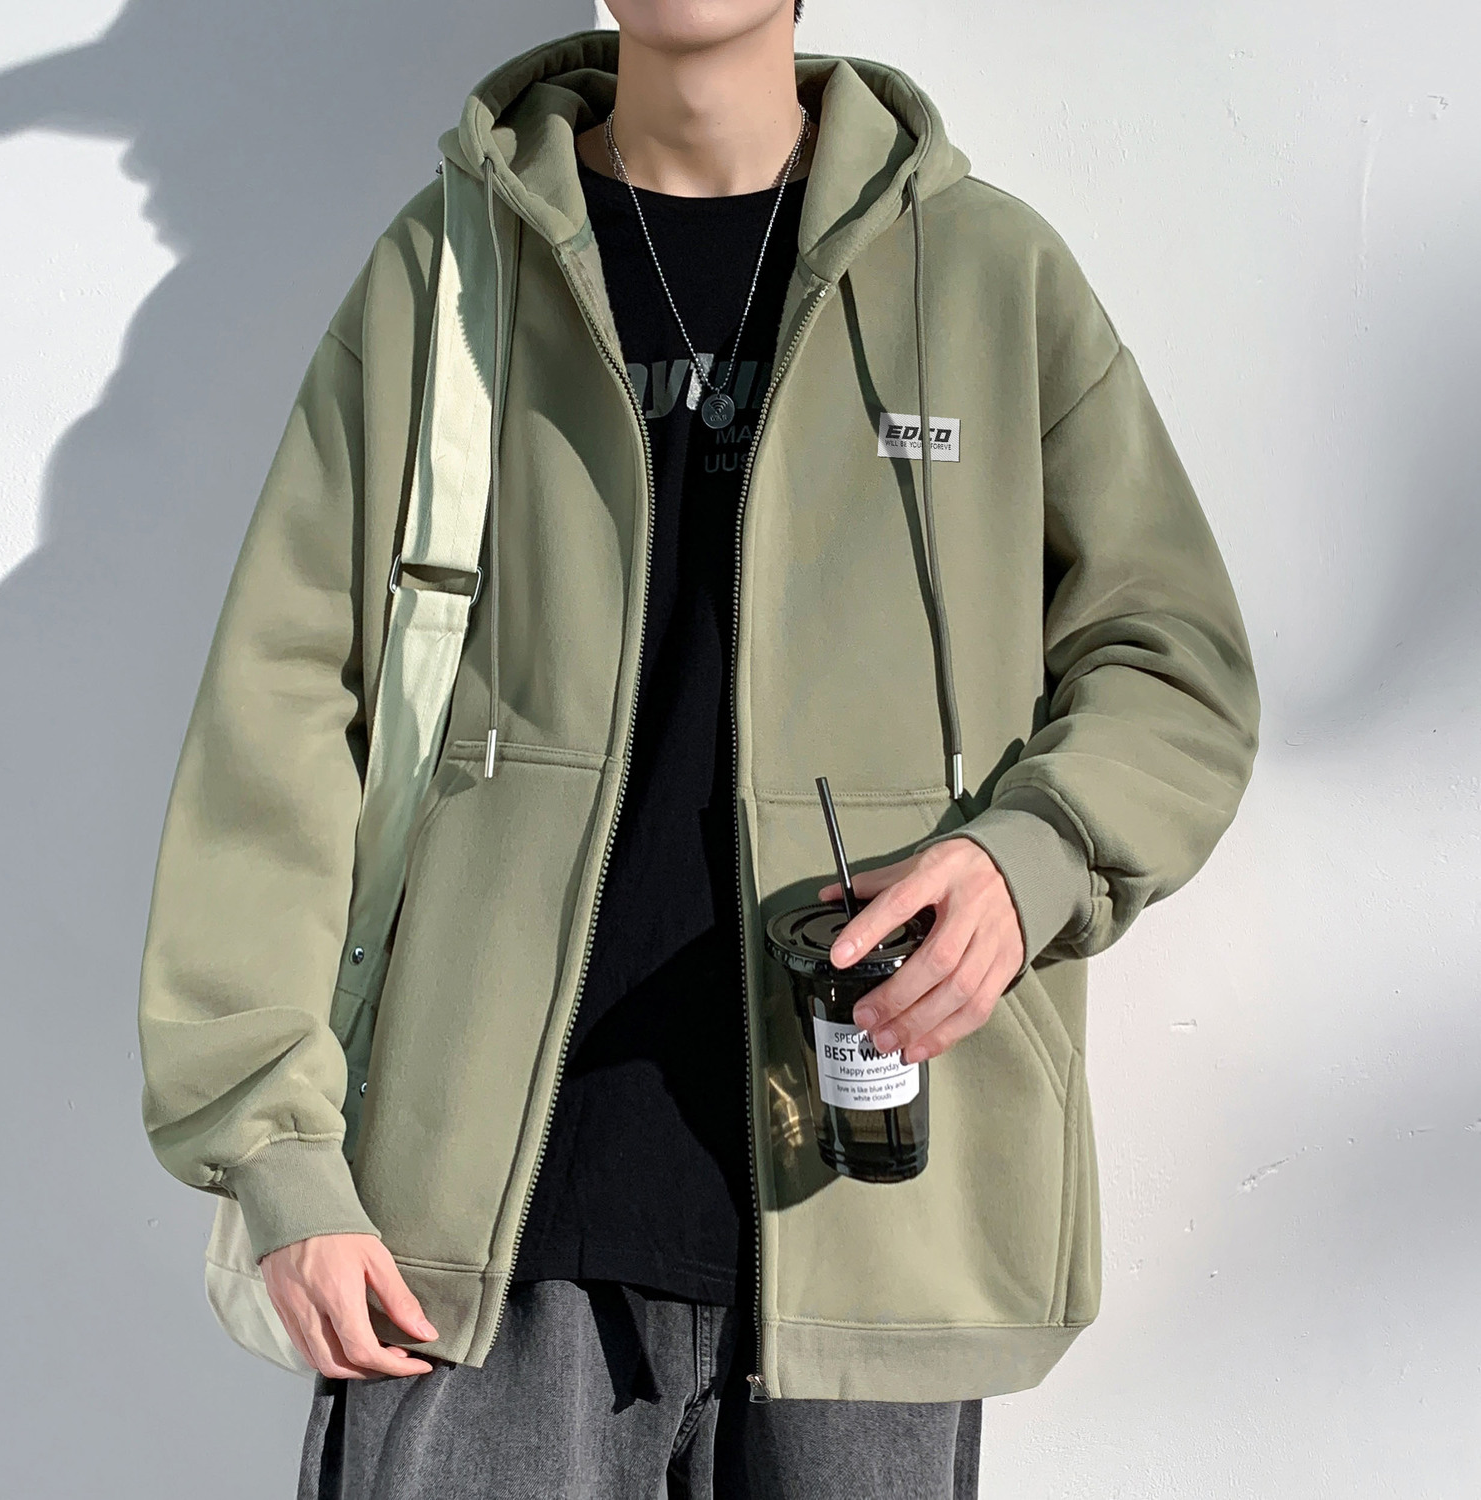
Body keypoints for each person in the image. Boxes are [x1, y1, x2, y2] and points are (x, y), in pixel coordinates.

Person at [137, 4, 1261, 1497]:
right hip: (470, 1240)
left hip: (874, 1220)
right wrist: (277, 1151)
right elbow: (279, 717)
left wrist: (1029, 859)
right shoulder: (448, 275)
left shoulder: (988, 275)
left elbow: (1174, 664)